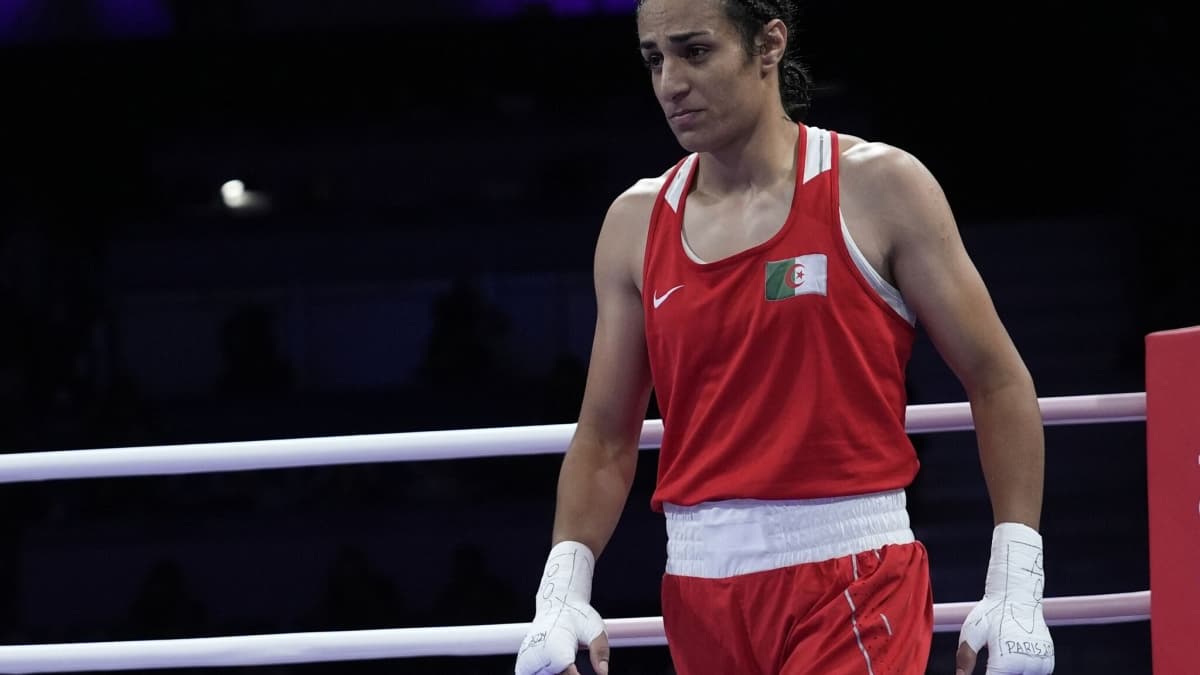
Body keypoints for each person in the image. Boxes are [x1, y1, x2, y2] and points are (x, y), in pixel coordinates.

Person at [514, 1, 1054, 674]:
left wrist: (1016, 582)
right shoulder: (635, 223)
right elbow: (605, 436)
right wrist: (561, 592)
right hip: (699, 592)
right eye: (654, 59)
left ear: (769, 45)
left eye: (695, 52)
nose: (670, 83)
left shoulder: (879, 187)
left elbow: (997, 379)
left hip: (853, 578)